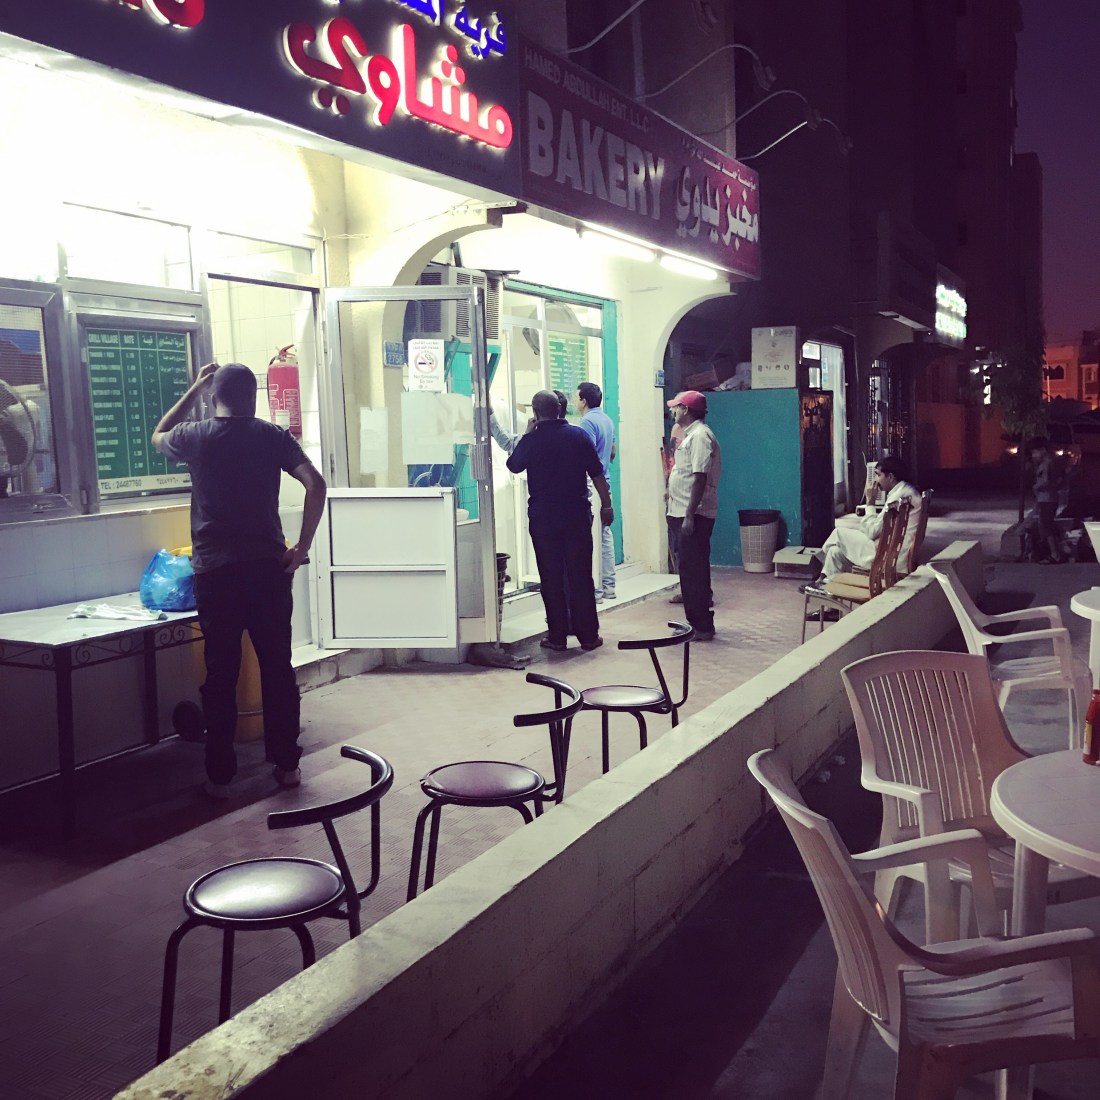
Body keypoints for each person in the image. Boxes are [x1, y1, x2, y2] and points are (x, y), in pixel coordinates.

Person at [152, 362, 327, 799]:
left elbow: (158, 435)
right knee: (277, 668)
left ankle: (219, 777)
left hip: (217, 575)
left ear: (214, 396)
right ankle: (286, 766)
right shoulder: (272, 436)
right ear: (255, 396)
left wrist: (194, 387)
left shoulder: (196, 436)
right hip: (269, 571)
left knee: (221, 674)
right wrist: (301, 547)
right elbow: (316, 485)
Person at [506, 389, 613, 651]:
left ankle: (557, 637)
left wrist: (527, 434)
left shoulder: (532, 440)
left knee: (551, 577)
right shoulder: (578, 435)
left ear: (535, 413)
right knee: (581, 576)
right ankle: (588, 636)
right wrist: (607, 505)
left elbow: (513, 465)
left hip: (544, 520)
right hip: (576, 516)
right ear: (559, 410)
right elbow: (597, 474)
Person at [806, 456, 919, 598]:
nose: (875, 480)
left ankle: (819, 576)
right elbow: (878, 527)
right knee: (835, 552)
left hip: (888, 556)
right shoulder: (906, 491)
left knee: (838, 534)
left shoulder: (898, 497)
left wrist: (870, 503)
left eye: (878, 475)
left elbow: (872, 531)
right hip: (895, 551)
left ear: (890, 477)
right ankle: (825, 589)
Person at [665, 390, 721, 641]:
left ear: (686, 410)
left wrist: (689, 515)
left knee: (693, 570)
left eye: (676, 407)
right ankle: (695, 623)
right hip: (683, 512)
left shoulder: (700, 437)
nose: (673, 411)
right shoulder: (691, 435)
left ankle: (701, 626)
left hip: (694, 514)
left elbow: (700, 477)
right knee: (689, 569)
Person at [576, 381, 617, 601]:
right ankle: (609, 586)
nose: (575, 401)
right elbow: (612, 452)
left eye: (576, 397)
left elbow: (586, 455)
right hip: (605, 483)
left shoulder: (587, 422)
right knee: (604, 535)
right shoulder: (607, 420)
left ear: (583, 401)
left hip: (592, 485)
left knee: (591, 538)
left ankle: (596, 591)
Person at [1027, 437, 1067, 563]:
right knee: (1045, 524)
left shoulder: (1046, 464)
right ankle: (1054, 552)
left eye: (1035, 452)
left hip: (1047, 498)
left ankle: (1054, 554)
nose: (1034, 456)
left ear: (1043, 450)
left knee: (1046, 526)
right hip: (1049, 498)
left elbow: (1045, 481)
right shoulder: (1051, 462)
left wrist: (1035, 487)